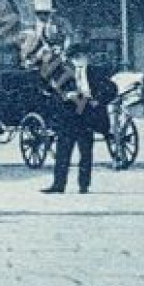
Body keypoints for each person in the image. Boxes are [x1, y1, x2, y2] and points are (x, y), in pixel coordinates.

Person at [43, 43, 118, 195]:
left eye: (83, 56)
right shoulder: (62, 73)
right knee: (63, 152)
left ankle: (83, 185)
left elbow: (112, 89)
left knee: (85, 152)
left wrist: (98, 100)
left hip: (87, 116)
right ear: (71, 59)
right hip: (67, 116)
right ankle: (58, 184)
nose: (81, 60)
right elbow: (50, 91)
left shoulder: (96, 72)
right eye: (77, 57)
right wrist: (65, 96)